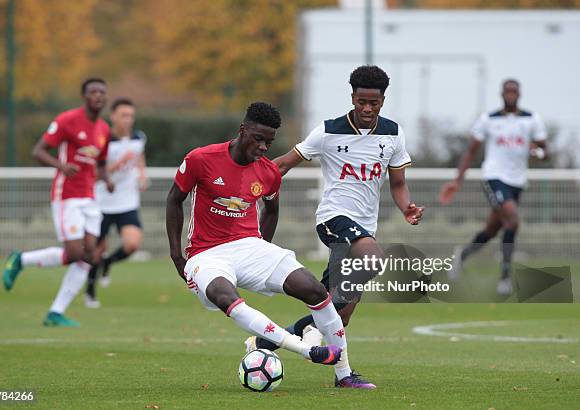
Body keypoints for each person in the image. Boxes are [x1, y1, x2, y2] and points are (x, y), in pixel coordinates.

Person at [166, 102, 375, 389]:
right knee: (225, 297)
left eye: (270, 142)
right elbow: (174, 200)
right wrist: (177, 256)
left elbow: (272, 210)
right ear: (243, 130)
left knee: (314, 289)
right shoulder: (202, 159)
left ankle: (344, 374)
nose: (264, 147)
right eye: (259, 139)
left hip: (250, 246)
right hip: (206, 253)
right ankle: (306, 350)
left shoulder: (268, 172)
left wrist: (262, 248)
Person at [251, 65, 423, 363]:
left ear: (383, 100)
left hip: (364, 228)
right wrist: (249, 182)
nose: (367, 108)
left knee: (339, 318)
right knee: (373, 259)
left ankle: (266, 342)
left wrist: (406, 207)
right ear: (352, 97)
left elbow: (398, 183)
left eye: (374, 103)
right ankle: (341, 368)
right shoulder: (329, 131)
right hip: (333, 219)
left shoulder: (393, 134)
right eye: (361, 101)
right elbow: (283, 163)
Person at [2, 78, 114, 327]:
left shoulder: (104, 129)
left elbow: (102, 161)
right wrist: (61, 166)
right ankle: (21, 260)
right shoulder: (67, 120)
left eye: (102, 93)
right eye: (93, 92)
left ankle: (55, 312)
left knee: (90, 256)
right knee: (75, 253)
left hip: (90, 198)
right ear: (84, 96)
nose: (98, 96)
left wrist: (106, 180)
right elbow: (38, 151)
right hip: (67, 196)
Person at [440, 79, 547, 295]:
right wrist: (457, 179)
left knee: (492, 230)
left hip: (517, 181)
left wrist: (538, 152)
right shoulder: (488, 119)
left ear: (519, 94)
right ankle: (505, 278)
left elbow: (545, 151)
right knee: (513, 221)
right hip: (494, 177)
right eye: (507, 91)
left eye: (513, 91)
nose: (510, 94)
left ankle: (462, 255)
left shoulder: (531, 119)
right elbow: (471, 151)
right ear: (501, 94)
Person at [85, 98, 148, 308]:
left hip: (127, 201)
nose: (127, 120)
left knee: (132, 244)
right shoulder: (103, 140)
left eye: (131, 115)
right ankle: (90, 292)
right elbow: (92, 173)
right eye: (123, 115)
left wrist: (142, 175)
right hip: (102, 203)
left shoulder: (139, 137)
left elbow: (139, 157)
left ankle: (107, 263)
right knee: (95, 250)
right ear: (112, 116)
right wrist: (116, 165)